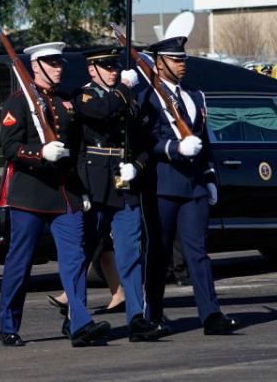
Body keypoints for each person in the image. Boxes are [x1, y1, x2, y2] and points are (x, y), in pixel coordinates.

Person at [0, 42, 110, 347]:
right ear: (36, 67)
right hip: (31, 196)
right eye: (52, 63)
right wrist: (39, 153)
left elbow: (77, 151)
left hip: (64, 196)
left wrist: (82, 189)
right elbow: (9, 149)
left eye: (60, 63)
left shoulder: (63, 103)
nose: (59, 69)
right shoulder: (18, 103)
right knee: (20, 263)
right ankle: (8, 324)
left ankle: (79, 322)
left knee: (74, 261)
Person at [138, 36, 239, 336]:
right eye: (176, 60)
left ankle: (211, 314)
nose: (182, 64)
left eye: (183, 59)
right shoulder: (148, 98)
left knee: (198, 252)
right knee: (158, 252)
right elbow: (146, 141)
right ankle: (153, 313)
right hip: (163, 184)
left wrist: (209, 177)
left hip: (193, 185)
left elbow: (203, 139)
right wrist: (174, 149)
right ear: (159, 63)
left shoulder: (195, 96)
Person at [67, 47, 161, 341]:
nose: (113, 71)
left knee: (131, 252)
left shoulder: (127, 94)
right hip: (94, 184)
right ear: (92, 70)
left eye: (115, 67)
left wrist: (137, 165)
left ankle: (136, 317)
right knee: (83, 253)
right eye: (107, 67)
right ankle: (76, 317)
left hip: (124, 182)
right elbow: (102, 110)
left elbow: (146, 142)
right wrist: (123, 89)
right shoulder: (84, 96)